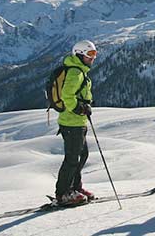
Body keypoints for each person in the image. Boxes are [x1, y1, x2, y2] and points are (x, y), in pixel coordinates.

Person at [54, 40, 97, 205]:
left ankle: (75, 187)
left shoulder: (80, 71)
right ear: (80, 54)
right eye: (90, 54)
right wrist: (80, 108)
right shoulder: (75, 72)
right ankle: (63, 193)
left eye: (94, 54)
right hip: (71, 122)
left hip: (78, 122)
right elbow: (67, 96)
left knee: (81, 155)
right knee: (72, 158)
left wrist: (85, 105)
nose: (93, 58)